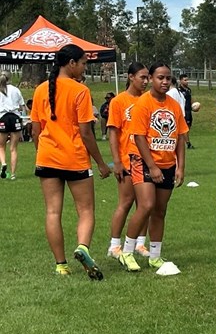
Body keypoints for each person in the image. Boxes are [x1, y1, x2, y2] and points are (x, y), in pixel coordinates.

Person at [30, 43, 111, 278]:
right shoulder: (80, 91)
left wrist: (42, 152)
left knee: (52, 212)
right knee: (86, 210)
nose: (85, 67)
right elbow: (86, 133)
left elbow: (36, 130)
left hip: (47, 157)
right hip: (74, 158)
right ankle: (82, 247)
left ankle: (61, 265)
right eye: (84, 63)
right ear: (72, 63)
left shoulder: (40, 90)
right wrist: (101, 163)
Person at [118, 62, 188, 272]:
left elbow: (180, 138)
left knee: (160, 210)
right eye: (160, 78)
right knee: (146, 205)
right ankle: (127, 251)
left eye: (168, 78)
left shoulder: (174, 106)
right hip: (143, 161)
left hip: (167, 163)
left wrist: (180, 166)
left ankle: (155, 255)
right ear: (150, 78)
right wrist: (152, 166)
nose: (165, 82)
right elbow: (138, 137)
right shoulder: (143, 104)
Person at [105, 62, 151, 263]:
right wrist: (117, 161)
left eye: (147, 77)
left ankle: (140, 243)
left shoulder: (149, 99)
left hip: (147, 160)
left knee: (146, 205)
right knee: (126, 202)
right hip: (127, 159)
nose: (146, 81)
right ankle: (114, 245)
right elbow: (113, 132)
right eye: (142, 77)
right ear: (130, 77)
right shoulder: (119, 101)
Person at [0, 70, 26, 180]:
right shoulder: (16, 90)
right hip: (14, 117)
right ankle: (13, 174)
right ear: (10, 78)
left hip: (3, 117)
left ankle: (4, 163)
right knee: (14, 148)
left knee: (1, 146)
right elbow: (22, 106)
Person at [166, 74, 194, 149]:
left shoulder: (170, 93)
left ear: (170, 82)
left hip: (175, 115)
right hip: (182, 114)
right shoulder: (178, 92)